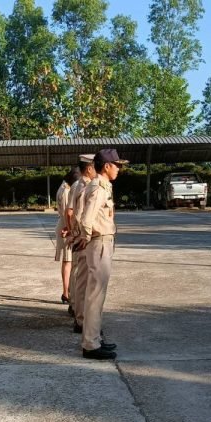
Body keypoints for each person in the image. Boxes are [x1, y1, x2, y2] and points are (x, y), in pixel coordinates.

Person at [77, 149, 127, 360]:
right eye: (117, 165)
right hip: (99, 243)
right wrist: (85, 236)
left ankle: (94, 338)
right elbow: (86, 218)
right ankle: (90, 344)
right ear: (107, 166)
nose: (119, 169)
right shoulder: (98, 188)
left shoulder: (102, 186)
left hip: (102, 242)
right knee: (95, 296)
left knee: (97, 295)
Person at [67, 154, 96, 331]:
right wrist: (78, 233)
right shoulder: (85, 186)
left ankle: (74, 307)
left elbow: (71, 212)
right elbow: (73, 213)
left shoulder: (77, 185)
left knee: (77, 274)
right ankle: (81, 318)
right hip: (83, 236)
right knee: (83, 279)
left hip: (78, 234)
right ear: (89, 168)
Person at [54, 168, 80, 305]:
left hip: (65, 226)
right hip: (65, 227)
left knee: (69, 262)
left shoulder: (64, 188)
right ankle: (66, 293)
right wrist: (70, 230)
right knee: (67, 261)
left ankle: (68, 291)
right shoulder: (65, 191)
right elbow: (67, 214)